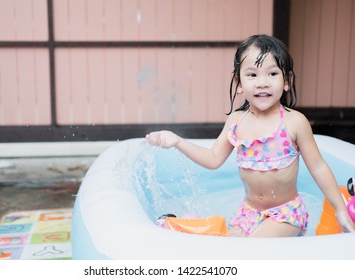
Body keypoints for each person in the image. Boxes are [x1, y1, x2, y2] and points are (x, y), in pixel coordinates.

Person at [146, 34, 355, 237]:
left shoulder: (294, 122)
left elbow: (318, 167)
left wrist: (339, 208)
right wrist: (178, 142)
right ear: (238, 83)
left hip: (285, 214)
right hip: (247, 213)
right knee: (226, 244)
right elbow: (213, 159)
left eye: (272, 74)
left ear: (286, 81)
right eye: (252, 75)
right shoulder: (237, 121)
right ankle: (193, 226)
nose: (262, 82)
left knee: (249, 250)